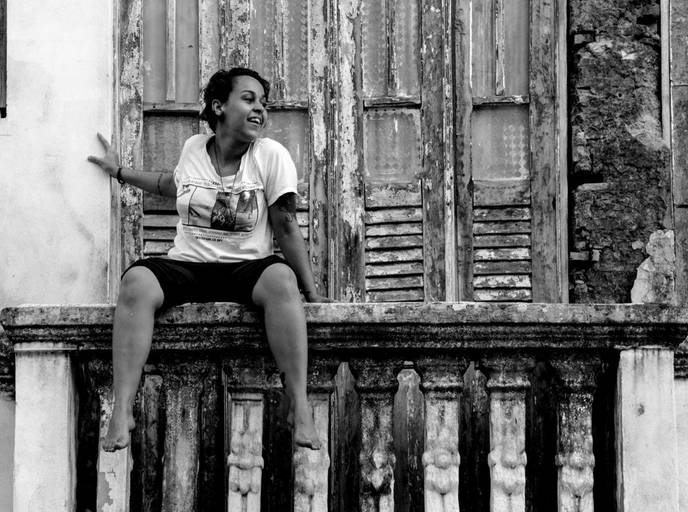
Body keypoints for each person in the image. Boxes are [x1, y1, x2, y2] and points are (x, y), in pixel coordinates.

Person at [88, 67, 328, 452]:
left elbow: (285, 226)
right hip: (189, 266)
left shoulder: (271, 156)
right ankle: (122, 409)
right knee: (136, 282)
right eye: (248, 99)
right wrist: (119, 171)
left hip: (247, 269)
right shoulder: (194, 148)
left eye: (263, 103)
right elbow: (170, 185)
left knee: (282, 279)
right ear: (219, 107)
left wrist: (311, 293)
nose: (260, 109)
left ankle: (299, 406)